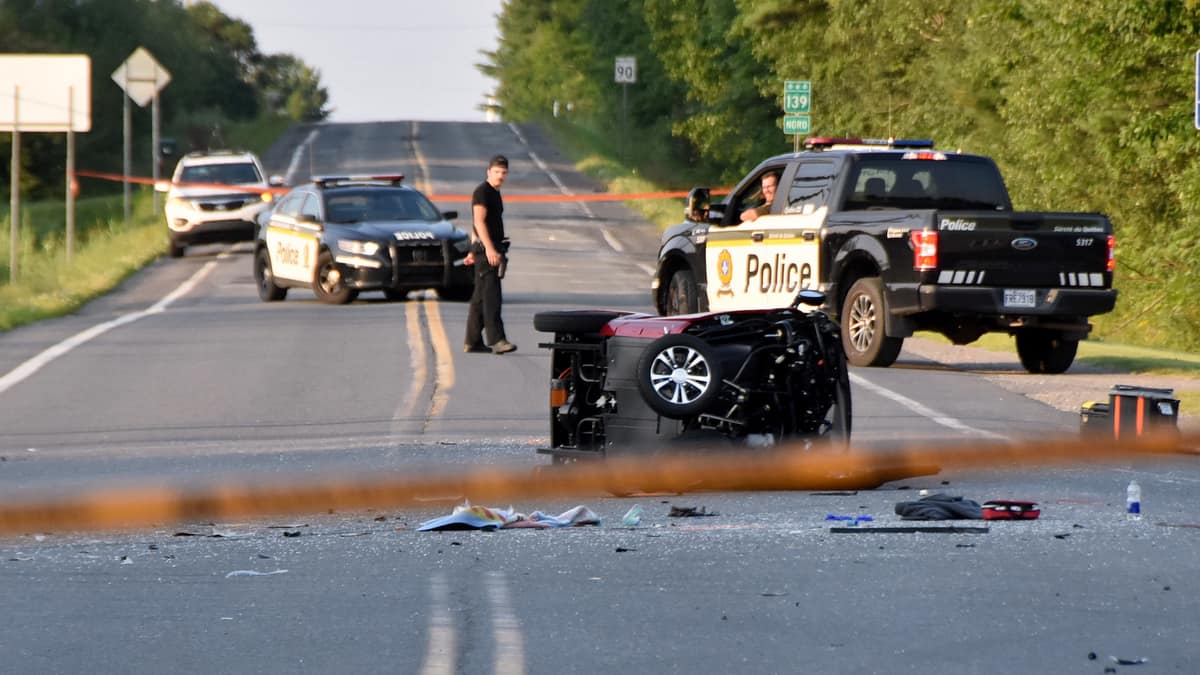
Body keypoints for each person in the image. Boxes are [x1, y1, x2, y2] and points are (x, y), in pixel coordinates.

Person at [463, 154, 517, 354]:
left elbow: (476, 228)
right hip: (488, 251)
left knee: (479, 297)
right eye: (497, 172)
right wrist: (489, 249)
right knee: (492, 296)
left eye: (503, 172)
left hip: (484, 248)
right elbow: (479, 221)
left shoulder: (494, 192)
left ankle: (473, 341)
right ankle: (497, 340)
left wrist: (472, 250)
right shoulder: (483, 192)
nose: (500, 176)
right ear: (489, 172)